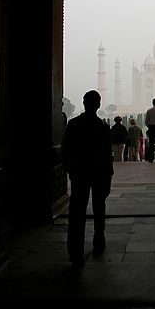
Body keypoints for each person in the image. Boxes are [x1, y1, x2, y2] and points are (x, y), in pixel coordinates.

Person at [61, 90, 114, 267]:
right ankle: (99, 240)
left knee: (77, 211)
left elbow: (65, 149)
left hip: (80, 172)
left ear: (83, 104)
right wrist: (109, 177)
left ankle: (75, 252)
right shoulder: (103, 127)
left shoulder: (74, 124)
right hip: (98, 172)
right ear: (98, 105)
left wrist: (70, 169)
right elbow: (108, 156)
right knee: (99, 207)